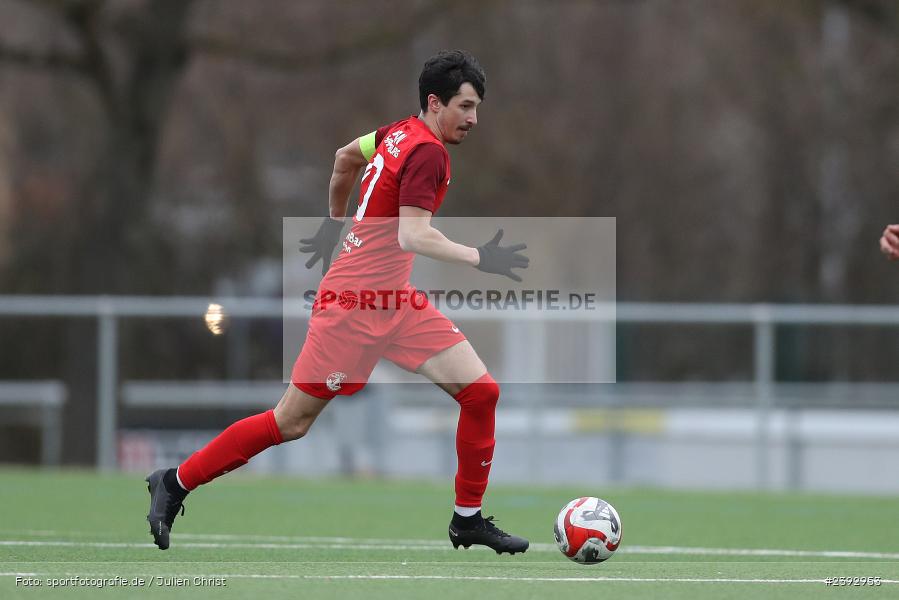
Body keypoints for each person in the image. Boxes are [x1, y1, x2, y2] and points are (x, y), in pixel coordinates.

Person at [146, 50, 530, 555]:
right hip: (354, 307)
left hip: (393, 301)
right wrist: (483, 258)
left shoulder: (395, 134)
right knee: (291, 422)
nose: (474, 119)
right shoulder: (429, 153)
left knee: (481, 393)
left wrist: (336, 223)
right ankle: (174, 481)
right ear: (435, 104)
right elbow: (415, 236)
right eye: (466, 106)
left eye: (477, 107)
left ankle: (468, 520)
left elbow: (344, 158)